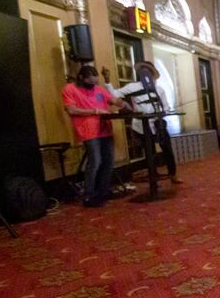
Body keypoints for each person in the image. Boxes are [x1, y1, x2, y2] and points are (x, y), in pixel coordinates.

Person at [102, 62, 183, 184]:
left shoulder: (159, 89)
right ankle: (153, 177)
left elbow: (165, 106)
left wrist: (162, 113)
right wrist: (107, 80)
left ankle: (173, 174)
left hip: (158, 124)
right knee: (149, 151)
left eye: (148, 71)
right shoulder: (132, 87)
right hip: (142, 125)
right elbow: (114, 94)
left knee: (167, 149)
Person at [62, 65, 125, 207]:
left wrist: (121, 103)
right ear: (81, 78)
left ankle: (103, 191)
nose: (93, 86)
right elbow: (71, 110)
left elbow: (113, 100)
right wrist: (95, 111)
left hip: (105, 129)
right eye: (90, 82)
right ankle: (89, 195)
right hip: (89, 131)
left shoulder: (99, 89)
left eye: (95, 82)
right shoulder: (70, 89)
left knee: (108, 161)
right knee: (95, 162)